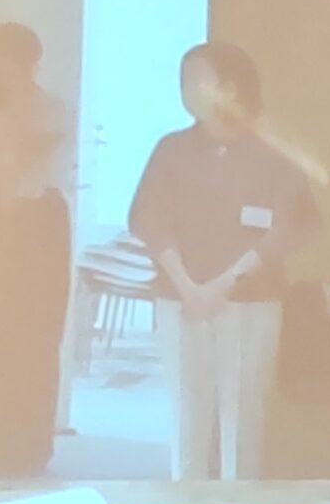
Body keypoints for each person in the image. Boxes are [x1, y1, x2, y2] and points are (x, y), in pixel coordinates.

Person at [129, 42, 320, 480]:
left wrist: (225, 284)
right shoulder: (171, 149)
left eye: (197, 79)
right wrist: (187, 286)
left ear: (231, 88)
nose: (186, 89)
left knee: (243, 418)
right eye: (183, 80)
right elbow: (148, 219)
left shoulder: (275, 151)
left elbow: (292, 224)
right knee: (187, 418)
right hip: (180, 302)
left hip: (251, 303)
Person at [0, 23, 72, 477]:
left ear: (24, 62)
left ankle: (33, 446)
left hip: (40, 221)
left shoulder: (50, 107)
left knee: (39, 334)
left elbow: (22, 155)